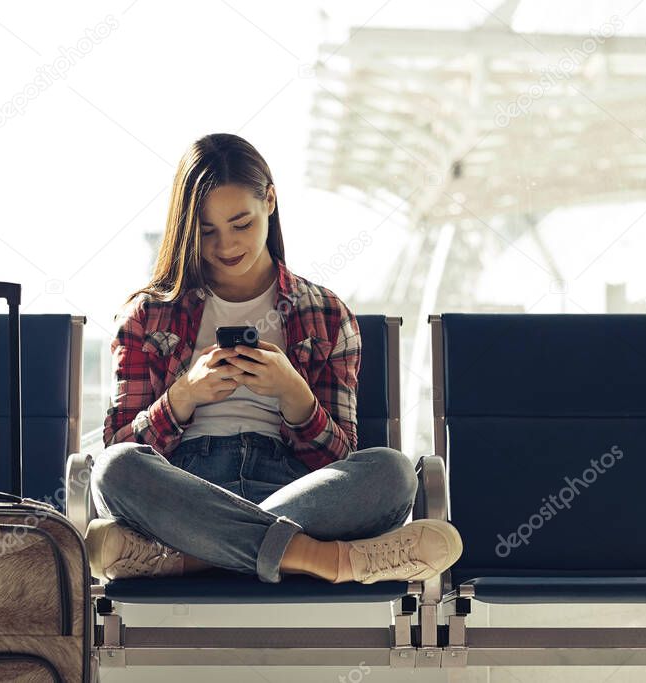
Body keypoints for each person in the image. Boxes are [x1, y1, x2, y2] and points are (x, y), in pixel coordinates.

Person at [86, 133, 462, 584]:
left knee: (395, 472)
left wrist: (294, 395)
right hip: (184, 486)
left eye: (241, 223)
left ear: (269, 200)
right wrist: (182, 397)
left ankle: (187, 557)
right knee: (115, 469)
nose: (225, 246)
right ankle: (325, 560)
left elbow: (340, 459)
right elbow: (120, 447)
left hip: (289, 488)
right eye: (207, 231)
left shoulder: (325, 313)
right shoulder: (147, 315)